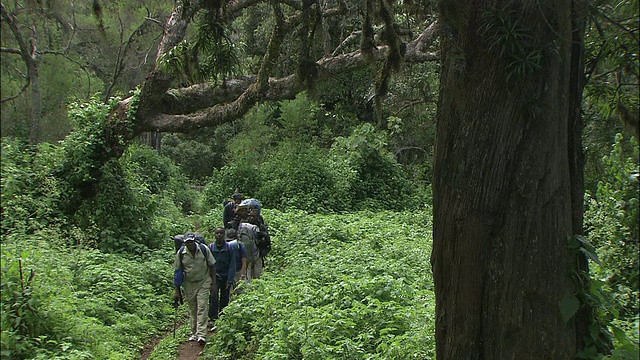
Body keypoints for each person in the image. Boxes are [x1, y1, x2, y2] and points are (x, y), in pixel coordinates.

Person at [173, 232, 217, 345]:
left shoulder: (203, 249)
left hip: (204, 281)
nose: (190, 244)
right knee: (193, 309)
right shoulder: (181, 253)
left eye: (191, 242)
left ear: (195, 241)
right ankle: (194, 332)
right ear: (185, 243)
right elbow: (177, 272)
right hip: (189, 283)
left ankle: (201, 334)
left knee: (202, 306)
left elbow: (212, 266)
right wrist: (177, 291)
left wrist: (213, 283)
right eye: (187, 243)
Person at [208, 227, 236, 329]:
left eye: (221, 233)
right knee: (213, 297)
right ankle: (212, 318)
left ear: (224, 235)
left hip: (225, 275)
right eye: (217, 233)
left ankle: (223, 317)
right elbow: (207, 264)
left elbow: (232, 264)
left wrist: (230, 279)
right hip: (214, 276)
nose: (219, 235)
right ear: (214, 235)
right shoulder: (210, 247)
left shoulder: (229, 248)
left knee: (225, 297)